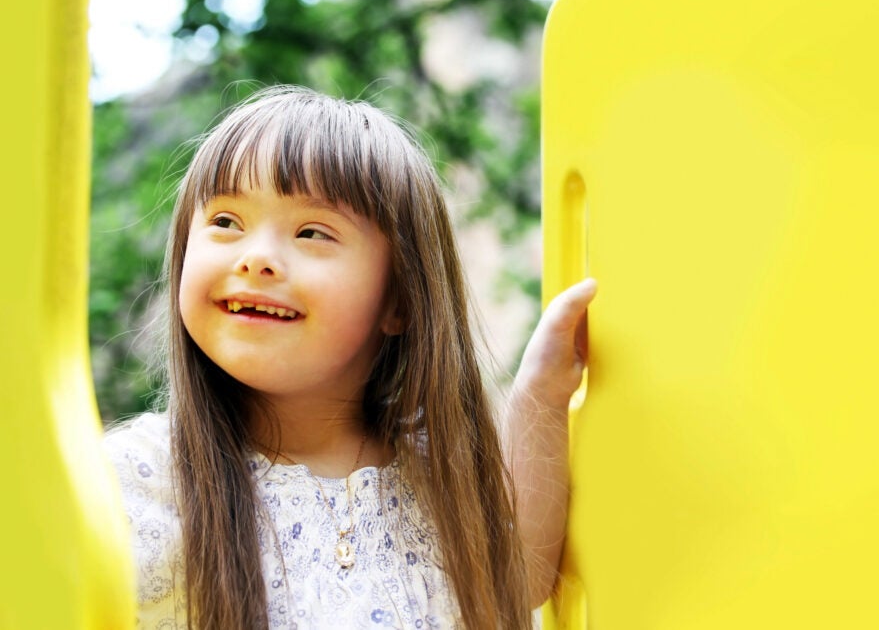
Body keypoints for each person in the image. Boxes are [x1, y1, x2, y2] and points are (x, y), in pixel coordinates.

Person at [103, 85, 597, 630]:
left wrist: (542, 394)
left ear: (399, 299)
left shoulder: (436, 478)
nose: (257, 257)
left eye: (312, 231)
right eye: (225, 222)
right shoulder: (129, 481)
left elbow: (518, 580)